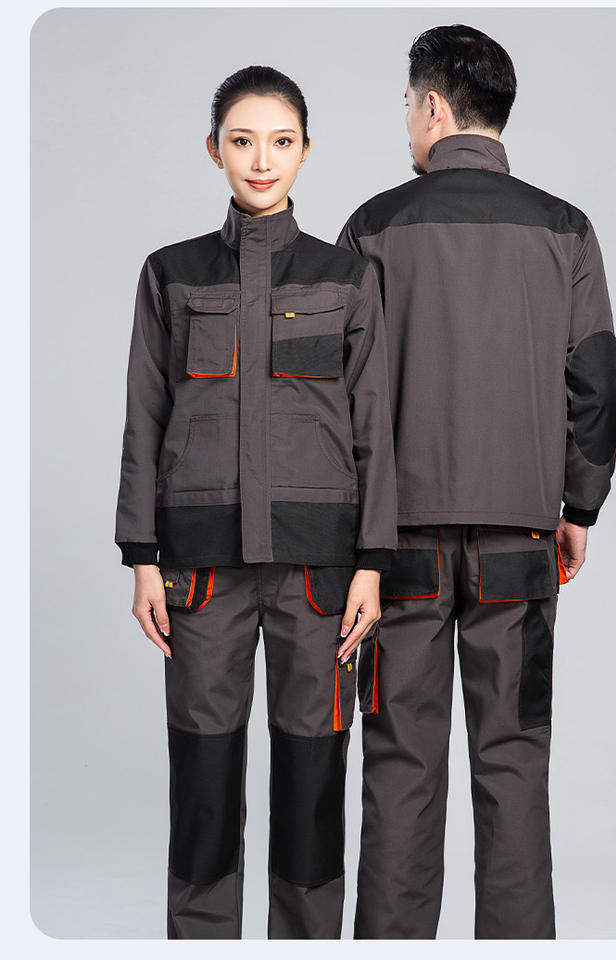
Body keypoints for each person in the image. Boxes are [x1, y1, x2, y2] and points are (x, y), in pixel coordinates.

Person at [337, 25, 616, 939]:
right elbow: (600, 382)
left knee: (399, 767)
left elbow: (336, 395)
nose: (406, 123)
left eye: (406, 107)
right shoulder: (565, 229)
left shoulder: (374, 227)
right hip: (522, 545)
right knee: (514, 766)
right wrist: (579, 504)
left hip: (398, 549)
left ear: (432, 107)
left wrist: (353, 537)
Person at [114, 65, 397, 940]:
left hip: (320, 572)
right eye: (242, 141)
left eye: (280, 141)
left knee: (313, 778)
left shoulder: (346, 276)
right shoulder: (171, 274)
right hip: (200, 571)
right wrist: (141, 557)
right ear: (214, 151)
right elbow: (144, 417)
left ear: (306, 152)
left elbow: (375, 427)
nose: (261, 160)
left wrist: (373, 564)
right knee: (202, 778)